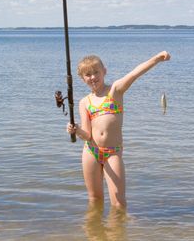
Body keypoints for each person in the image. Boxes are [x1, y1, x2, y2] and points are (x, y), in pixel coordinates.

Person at [67, 51, 171, 209]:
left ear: (104, 72)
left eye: (96, 72)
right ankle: (95, 232)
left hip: (112, 152)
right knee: (94, 199)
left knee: (119, 203)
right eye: (88, 74)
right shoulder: (84, 102)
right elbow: (87, 135)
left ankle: (118, 233)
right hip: (91, 151)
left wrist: (156, 59)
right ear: (82, 78)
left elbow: (135, 73)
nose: (93, 77)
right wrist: (77, 130)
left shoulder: (115, 91)